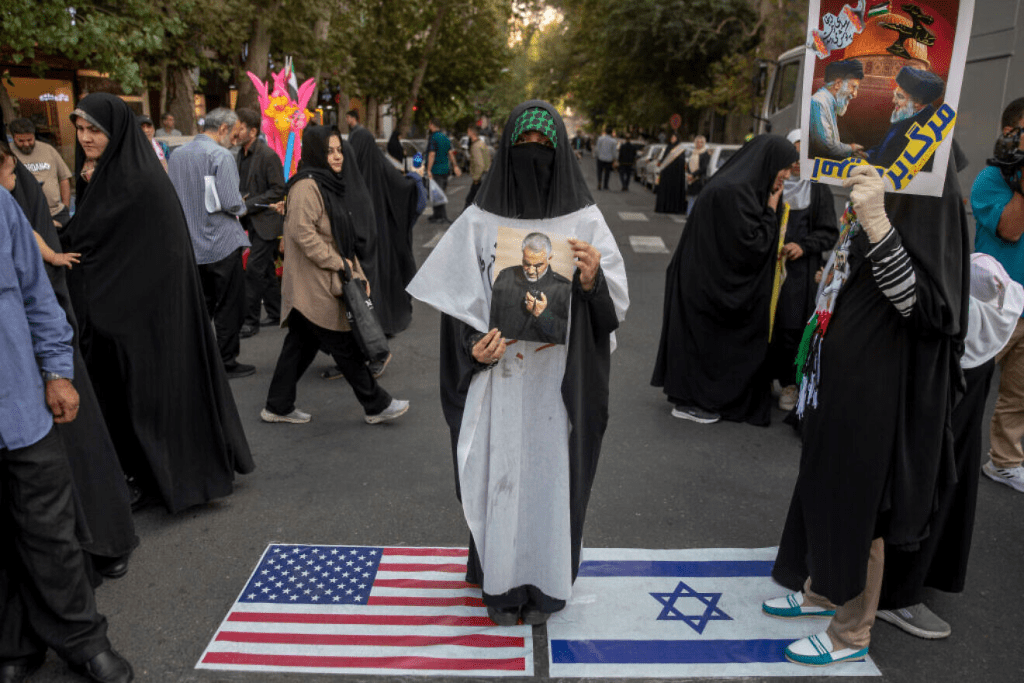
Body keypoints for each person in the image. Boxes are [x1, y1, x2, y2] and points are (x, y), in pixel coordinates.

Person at [408, 100, 629, 626]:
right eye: (524, 144)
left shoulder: (585, 221)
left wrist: (592, 278)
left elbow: (613, 306)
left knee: (551, 482)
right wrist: (472, 347)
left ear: (561, 152)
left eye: (545, 146)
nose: (534, 155)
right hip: (499, 382)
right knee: (498, 477)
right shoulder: (479, 220)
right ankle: (501, 588)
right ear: (507, 150)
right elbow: (456, 304)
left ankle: (547, 588)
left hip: (558, 382)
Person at [764, 144, 968, 666]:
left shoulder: (930, 200)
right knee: (823, 482)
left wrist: (878, 225)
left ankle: (850, 633)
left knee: (861, 505)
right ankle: (820, 590)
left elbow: (927, 308)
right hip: (840, 380)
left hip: (880, 389)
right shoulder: (889, 186)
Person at [62, 92, 254, 514]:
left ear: (117, 133)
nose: (85, 137)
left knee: (149, 405)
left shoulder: (140, 183)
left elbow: (127, 250)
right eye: (80, 129)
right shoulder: (106, 178)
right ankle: (141, 478)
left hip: (148, 321)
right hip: (119, 320)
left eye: (95, 130)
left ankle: (162, 481)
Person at [0, 188, 134, 683]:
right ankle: (14, 642)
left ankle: (83, 639)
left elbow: (37, 293)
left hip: (19, 405)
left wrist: (58, 371)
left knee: (51, 530)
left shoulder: (0, 206)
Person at [876, 251, 1023, 640]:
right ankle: (895, 591)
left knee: (933, 472)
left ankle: (896, 580)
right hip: (937, 349)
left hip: (935, 344)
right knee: (926, 476)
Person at [261, 125, 409, 426]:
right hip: (314, 283)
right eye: (329, 151)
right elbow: (303, 234)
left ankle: (277, 405)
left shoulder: (327, 184)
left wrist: (355, 271)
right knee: (345, 345)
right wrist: (339, 263)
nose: (337, 156)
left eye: (339, 150)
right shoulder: (306, 186)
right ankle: (376, 404)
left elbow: (341, 237)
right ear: (316, 153)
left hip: (319, 282)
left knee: (299, 345)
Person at [651, 135, 798, 425]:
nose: (787, 175)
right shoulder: (735, 192)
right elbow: (753, 246)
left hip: (705, 280)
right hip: (707, 285)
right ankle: (693, 402)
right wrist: (771, 209)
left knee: (707, 344)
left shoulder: (738, 186)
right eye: (785, 168)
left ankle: (699, 398)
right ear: (768, 163)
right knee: (705, 345)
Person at [168, 107, 255, 378]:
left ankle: (197, 360)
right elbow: (230, 202)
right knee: (229, 306)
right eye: (234, 133)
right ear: (222, 129)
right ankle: (226, 360)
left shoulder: (177, 155)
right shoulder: (221, 155)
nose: (235, 140)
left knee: (200, 308)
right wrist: (243, 205)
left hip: (191, 243)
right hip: (221, 243)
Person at [970, 96, 1024, 493]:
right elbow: (1010, 230)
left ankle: (1004, 463)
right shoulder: (989, 181)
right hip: (993, 309)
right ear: (1010, 133)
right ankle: (943, 452)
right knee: (969, 386)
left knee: (1018, 395)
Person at [768, 129, 839, 411]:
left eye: (803, 155)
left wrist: (804, 246)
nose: (797, 162)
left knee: (791, 328)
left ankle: (790, 383)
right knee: (767, 325)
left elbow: (829, 232)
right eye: (793, 155)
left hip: (799, 273)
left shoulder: (818, 189)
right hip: (770, 269)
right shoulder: (773, 183)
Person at [347, 119, 421, 340]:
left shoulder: (348, 175)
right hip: (384, 238)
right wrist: (416, 178)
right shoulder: (381, 166)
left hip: (358, 242)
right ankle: (384, 321)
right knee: (382, 278)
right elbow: (404, 189)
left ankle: (365, 326)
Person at [235, 107, 286, 338]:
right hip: (250, 223)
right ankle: (276, 312)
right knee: (265, 270)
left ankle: (250, 321)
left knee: (254, 271)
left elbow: (278, 190)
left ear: (253, 131)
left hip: (267, 223)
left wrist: (249, 204)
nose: (236, 131)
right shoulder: (240, 154)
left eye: (240, 127)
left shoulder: (268, 155)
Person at [489, 232, 571, 344]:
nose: (531, 271)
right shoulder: (505, 277)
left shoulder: (565, 289)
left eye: (538, 265)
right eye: (526, 264)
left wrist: (543, 315)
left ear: (549, 258)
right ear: (522, 255)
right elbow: (490, 319)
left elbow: (569, 336)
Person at [866, 67, 944, 169]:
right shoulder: (906, 114)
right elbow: (882, 150)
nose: (893, 100)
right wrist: (862, 156)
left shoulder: (928, 128)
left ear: (917, 102)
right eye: (895, 94)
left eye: (900, 96)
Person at [8, 118, 73, 228]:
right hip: (26, 215)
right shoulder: (8, 154)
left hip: (55, 212)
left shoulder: (48, 149)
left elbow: (64, 178)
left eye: (30, 140)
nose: (26, 144)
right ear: (13, 137)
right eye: (21, 141)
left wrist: (65, 207)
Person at [808, 59, 865, 161]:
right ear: (838, 84)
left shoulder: (829, 103)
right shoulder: (819, 102)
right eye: (853, 87)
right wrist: (851, 148)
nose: (855, 94)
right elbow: (825, 147)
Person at [426, 118, 461, 223]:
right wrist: (455, 166)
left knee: (438, 193)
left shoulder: (433, 137)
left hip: (436, 169)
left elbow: (432, 154)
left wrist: (428, 169)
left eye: (429, 124)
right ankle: (436, 215)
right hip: (446, 169)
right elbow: (451, 153)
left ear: (432, 125)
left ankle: (442, 216)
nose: (429, 126)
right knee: (439, 192)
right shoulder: (445, 137)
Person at [653, 133, 687, 214]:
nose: (672, 139)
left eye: (674, 137)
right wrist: (660, 162)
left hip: (676, 174)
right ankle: (664, 207)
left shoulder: (680, 149)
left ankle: (674, 208)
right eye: (672, 137)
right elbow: (664, 158)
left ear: (677, 138)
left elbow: (682, 161)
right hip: (667, 174)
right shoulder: (668, 147)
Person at [465, 125, 491, 208]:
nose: (467, 133)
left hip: (480, 179)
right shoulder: (482, 143)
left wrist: (476, 178)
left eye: (468, 131)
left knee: (470, 201)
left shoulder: (476, 146)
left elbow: (479, 164)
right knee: (474, 201)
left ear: (472, 133)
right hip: (485, 176)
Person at [684, 134, 711, 212]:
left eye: (701, 142)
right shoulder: (693, 152)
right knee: (691, 199)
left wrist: (693, 175)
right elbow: (689, 165)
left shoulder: (705, 154)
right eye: (697, 142)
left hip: (699, 180)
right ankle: (690, 215)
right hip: (691, 180)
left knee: (697, 200)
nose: (699, 144)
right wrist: (688, 174)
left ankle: (693, 216)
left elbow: (703, 168)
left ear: (704, 143)